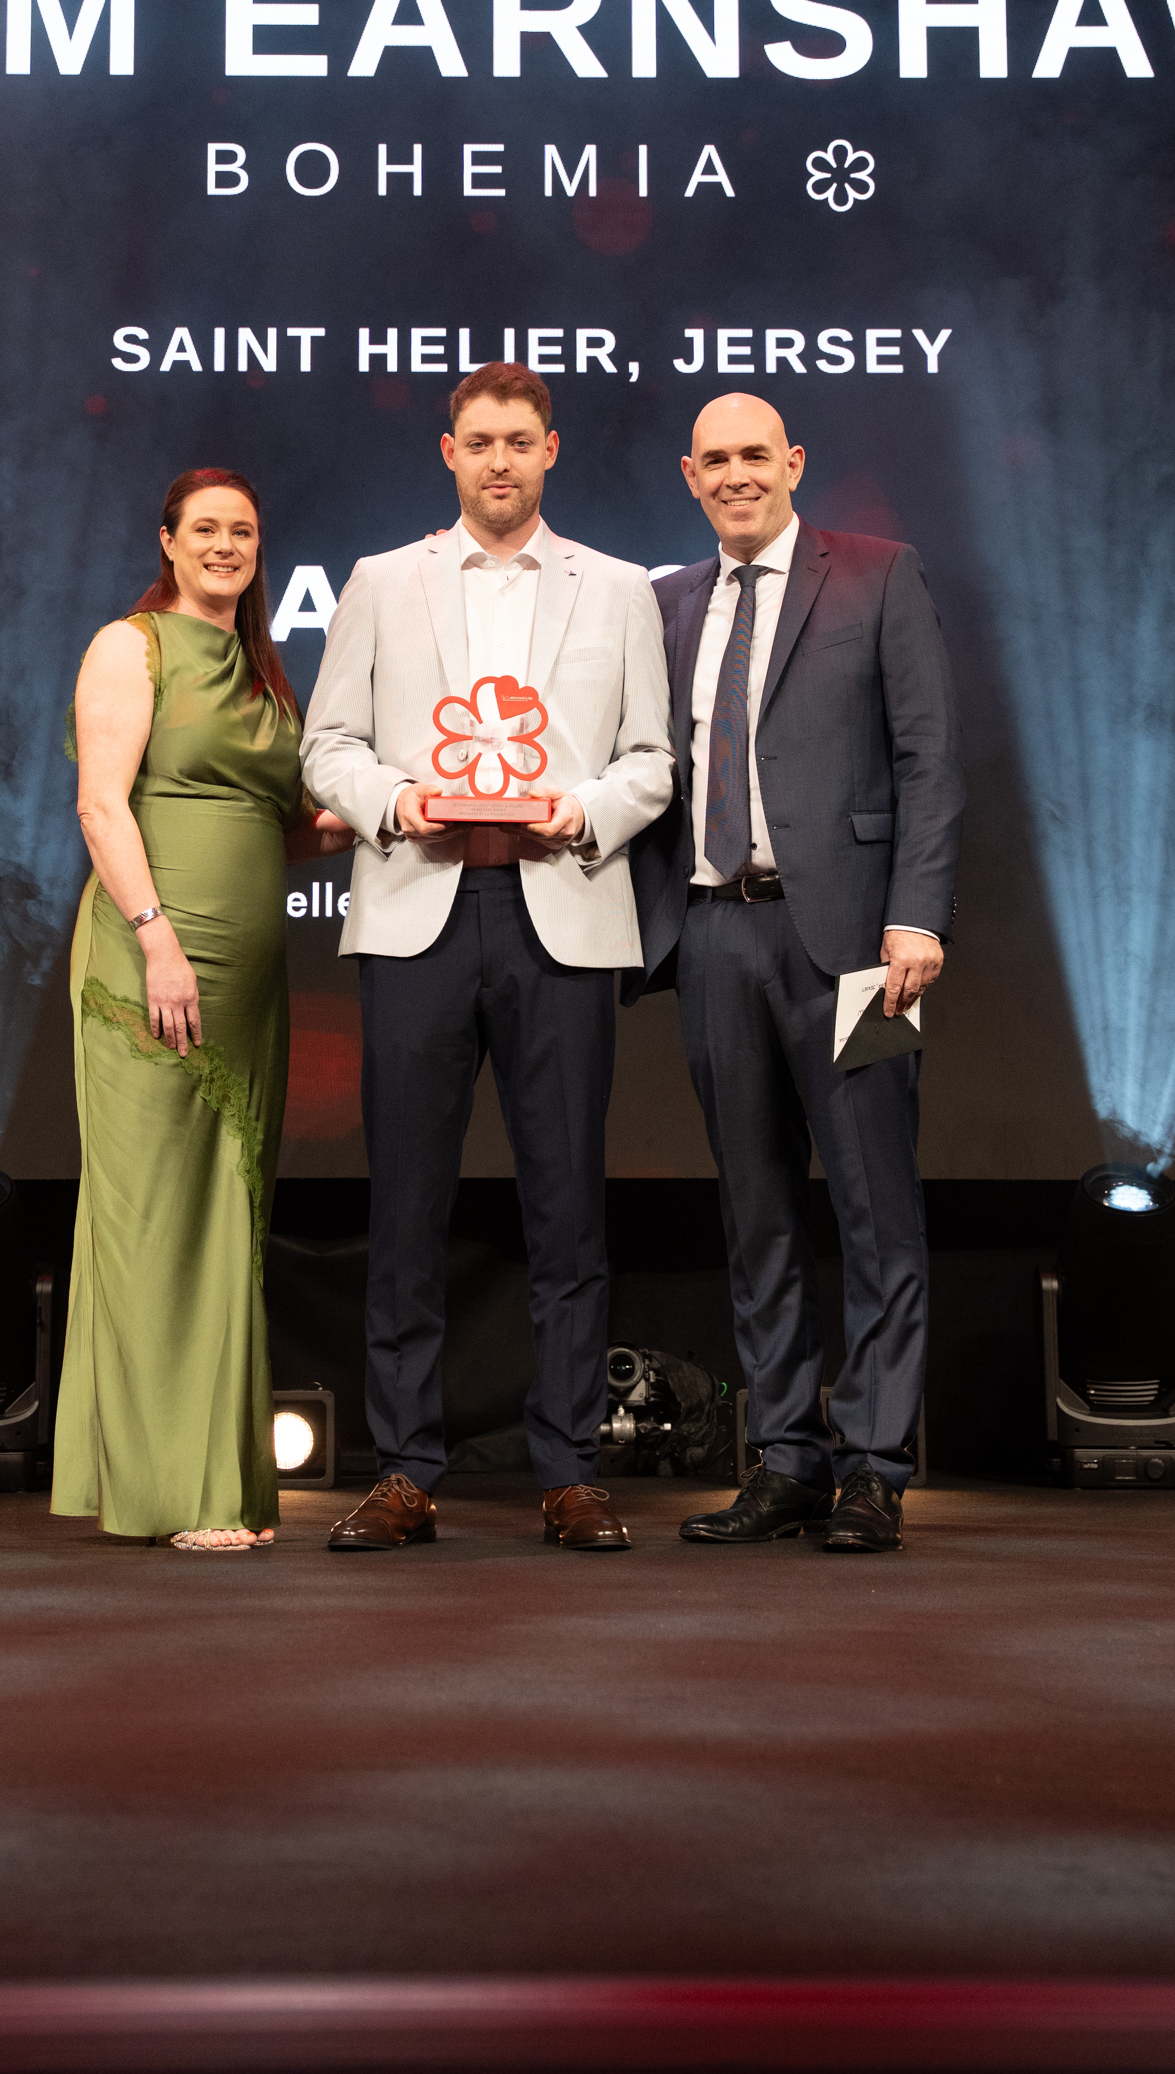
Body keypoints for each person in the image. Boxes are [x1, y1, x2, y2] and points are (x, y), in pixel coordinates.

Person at [301, 365, 673, 1554]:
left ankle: (569, 1471)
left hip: (557, 909)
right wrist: (397, 798)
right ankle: (404, 1469)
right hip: (420, 906)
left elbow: (653, 761)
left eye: (520, 440)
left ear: (551, 451)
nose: (500, 459)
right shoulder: (378, 581)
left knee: (564, 1210)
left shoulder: (618, 590)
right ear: (446, 452)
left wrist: (585, 812)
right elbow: (328, 747)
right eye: (479, 441)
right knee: (405, 1204)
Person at [629, 394, 962, 1554]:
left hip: (863, 953)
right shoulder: (666, 603)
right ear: (688, 475)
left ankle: (871, 1464)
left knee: (876, 1210)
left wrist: (917, 914)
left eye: (753, 457)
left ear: (792, 464)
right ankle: (782, 1459)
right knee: (755, 1212)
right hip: (716, 939)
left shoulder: (875, 573)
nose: (734, 476)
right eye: (713, 460)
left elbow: (927, 756)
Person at [54, 467, 350, 1552]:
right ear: (168, 542)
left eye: (245, 532)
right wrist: (155, 939)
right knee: (154, 1218)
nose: (227, 545)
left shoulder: (265, 674)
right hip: (152, 962)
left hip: (249, 979)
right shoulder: (129, 646)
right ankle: (169, 1488)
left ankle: (209, 1477)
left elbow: (288, 827)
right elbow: (100, 802)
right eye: (207, 530)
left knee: (225, 1216)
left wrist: (405, 813)